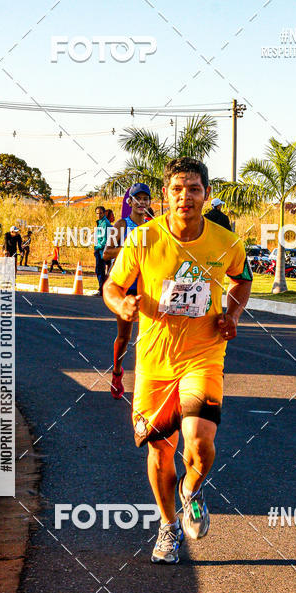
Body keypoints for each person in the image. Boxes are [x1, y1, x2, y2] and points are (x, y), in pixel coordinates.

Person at [103, 157, 253, 564]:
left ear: (205, 194)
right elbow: (112, 285)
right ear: (165, 194)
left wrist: (233, 314)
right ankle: (168, 527)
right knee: (159, 451)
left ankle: (191, 490)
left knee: (200, 444)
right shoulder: (144, 238)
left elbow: (243, 279)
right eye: (177, 189)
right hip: (154, 361)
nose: (185, 196)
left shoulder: (227, 242)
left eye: (194, 189)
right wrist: (124, 303)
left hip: (204, 355)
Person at [103, 184, 153, 399]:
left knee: (149, 335)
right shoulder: (122, 225)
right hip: (126, 286)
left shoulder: (154, 226)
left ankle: (149, 380)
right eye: (137, 199)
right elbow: (106, 253)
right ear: (129, 202)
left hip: (149, 285)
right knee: (124, 336)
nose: (142, 202)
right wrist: (130, 249)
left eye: (145, 199)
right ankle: (116, 372)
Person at [93, 205, 113, 295]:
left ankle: (102, 289)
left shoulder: (104, 223)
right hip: (100, 249)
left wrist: (96, 248)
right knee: (100, 270)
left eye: (100, 213)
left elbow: (104, 239)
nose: (98, 215)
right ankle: (102, 288)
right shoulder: (100, 222)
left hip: (102, 250)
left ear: (104, 213)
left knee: (100, 270)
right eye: (97, 213)